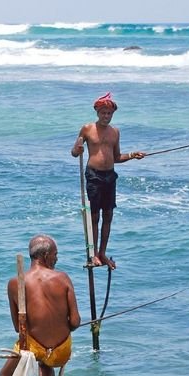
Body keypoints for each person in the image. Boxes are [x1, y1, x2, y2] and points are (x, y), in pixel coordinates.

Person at [70, 92, 145, 269]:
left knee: (108, 215)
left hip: (110, 176)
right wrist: (78, 149)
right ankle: (94, 253)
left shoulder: (115, 132)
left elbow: (117, 157)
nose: (106, 116)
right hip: (94, 176)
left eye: (109, 113)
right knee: (94, 216)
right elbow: (74, 153)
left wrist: (133, 155)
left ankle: (102, 253)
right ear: (97, 112)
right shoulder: (87, 129)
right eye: (103, 113)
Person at [0, 234, 81, 376]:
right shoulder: (63, 278)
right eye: (55, 254)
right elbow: (75, 322)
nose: (56, 259)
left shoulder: (15, 283)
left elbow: (18, 328)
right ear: (45, 255)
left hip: (32, 349)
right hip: (61, 352)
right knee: (46, 365)